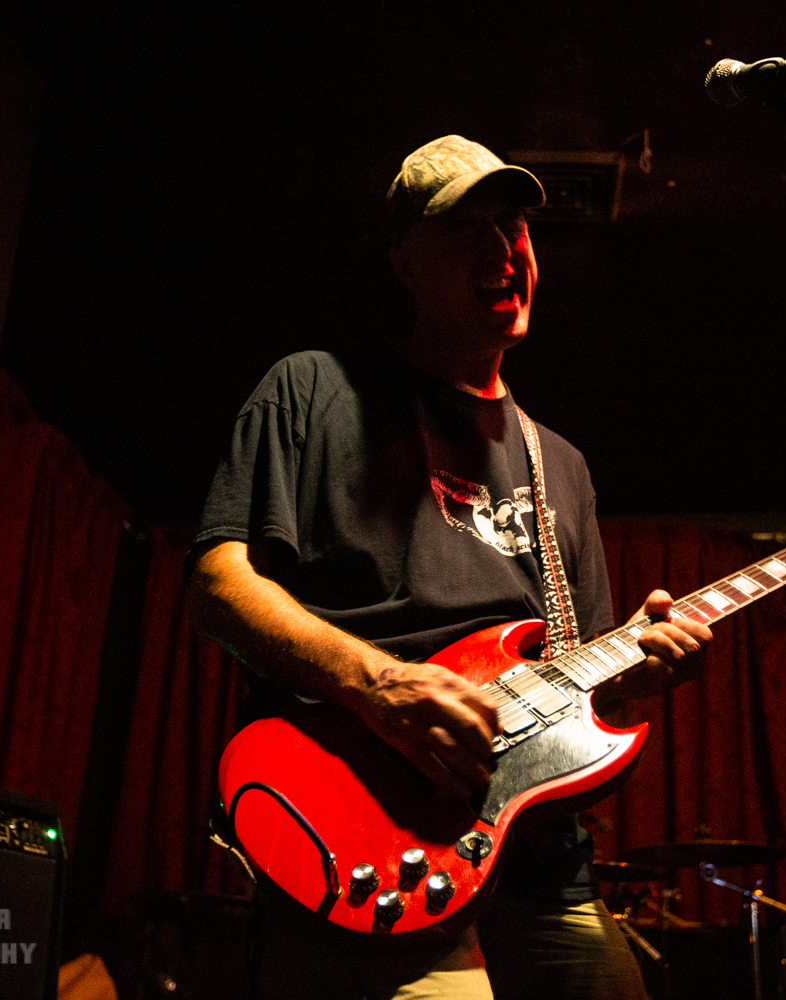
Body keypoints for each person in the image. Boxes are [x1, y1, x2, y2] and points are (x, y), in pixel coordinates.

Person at [186, 134, 712, 1000]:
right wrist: (381, 686)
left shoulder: (560, 464)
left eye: (513, 225)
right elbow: (218, 584)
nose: (503, 248)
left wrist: (638, 674)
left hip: (541, 862)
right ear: (403, 260)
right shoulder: (314, 389)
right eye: (467, 228)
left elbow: (585, 689)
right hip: (377, 827)